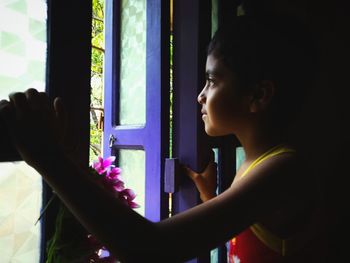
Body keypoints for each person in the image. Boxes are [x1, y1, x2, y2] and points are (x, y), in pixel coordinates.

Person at [0, 15, 323, 262]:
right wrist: (209, 195)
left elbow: (149, 249)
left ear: (258, 95)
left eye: (211, 81)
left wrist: (50, 160)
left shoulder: (282, 170)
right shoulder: (259, 164)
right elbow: (241, 224)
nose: (200, 96)